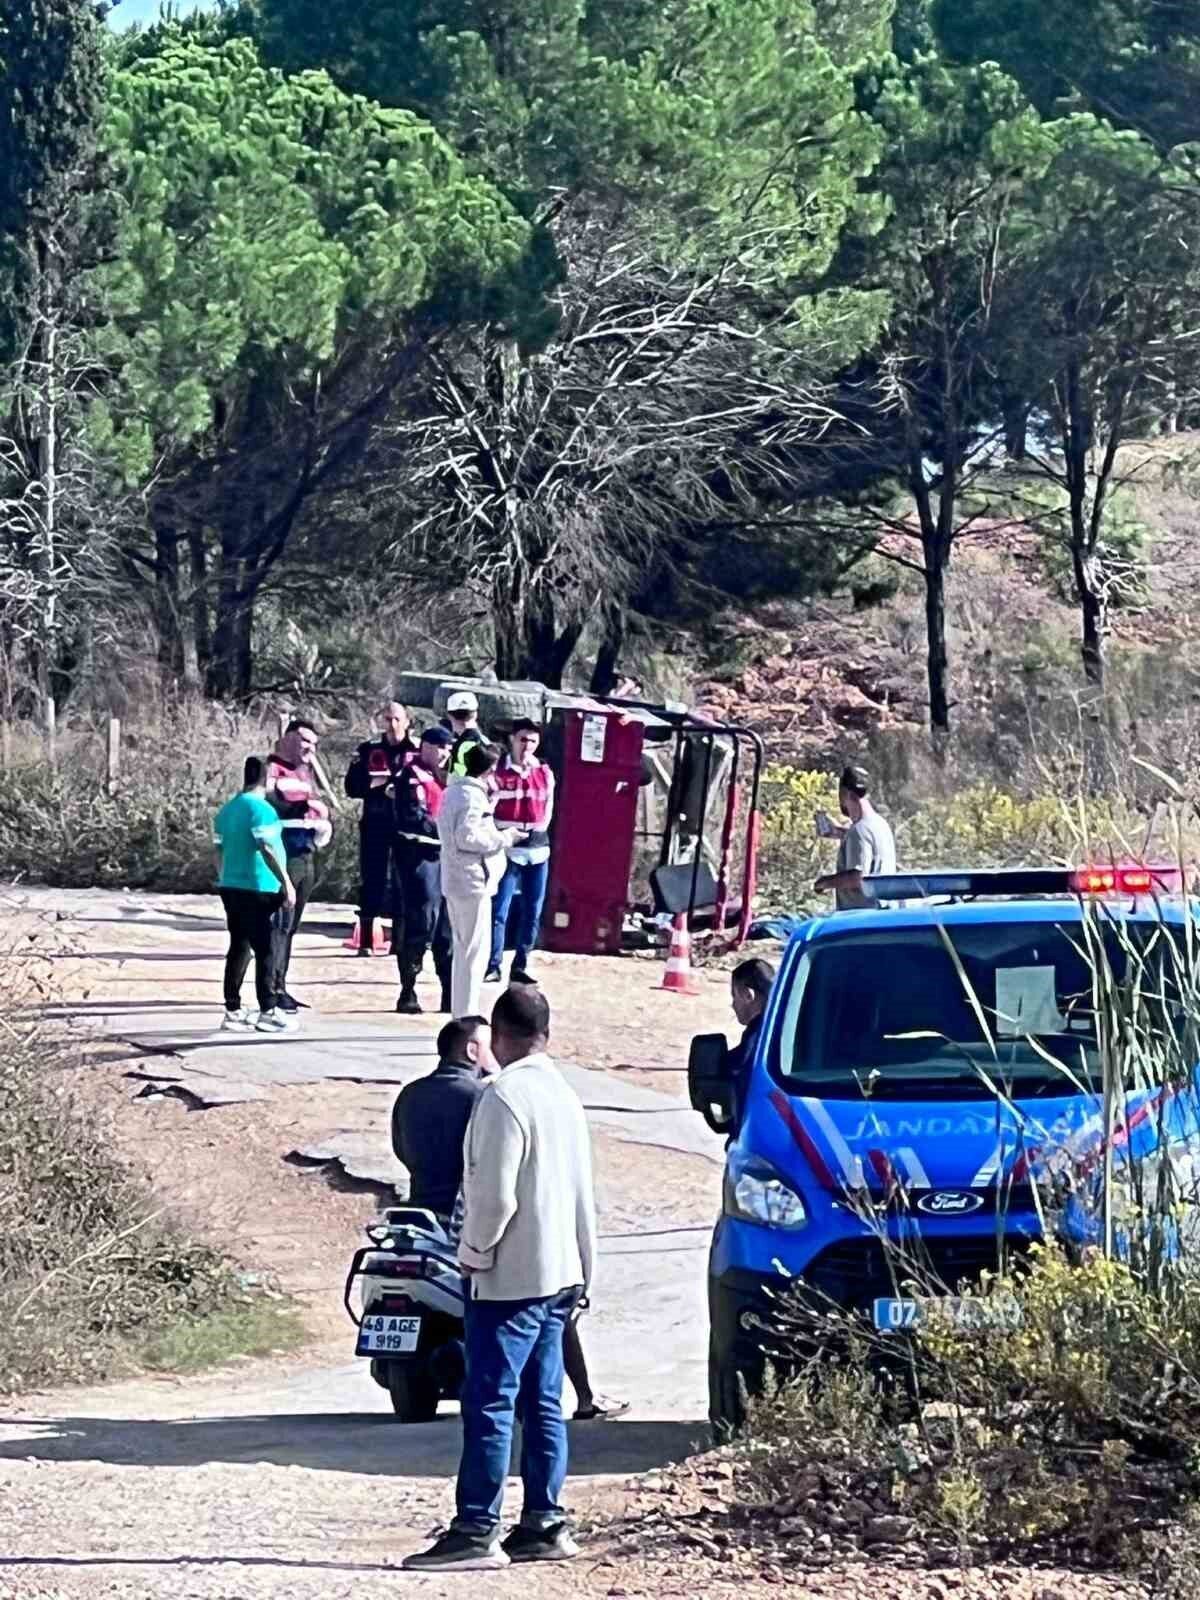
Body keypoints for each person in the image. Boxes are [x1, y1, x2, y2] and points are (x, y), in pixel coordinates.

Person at [404, 986, 596, 1572]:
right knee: (543, 1403)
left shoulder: (503, 1096)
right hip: (560, 1273)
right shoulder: (564, 1094)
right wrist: (585, 1270)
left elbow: (493, 1196)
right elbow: (582, 1194)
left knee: (489, 1400)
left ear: (500, 1033)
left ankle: (476, 1529)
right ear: (545, 1032)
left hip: (511, 1277)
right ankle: (544, 1522)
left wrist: (472, 1253)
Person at [212, 756, 297, 1035]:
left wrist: (224, 877)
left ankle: (232, 1009)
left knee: (239, 946)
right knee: (266, 949)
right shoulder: (262, 810)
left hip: (231, 886)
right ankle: (268, 1010)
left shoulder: (227, 810)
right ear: (267, 779)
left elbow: (218, 850)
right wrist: (285, 881)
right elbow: (266, 847)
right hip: (260, 886)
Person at [439, 743, 523, 1020]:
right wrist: (504, 838)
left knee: (464, 948)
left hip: (458, 879)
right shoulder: (471, 796)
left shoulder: (452, 792)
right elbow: (468, 837)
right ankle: (466, 1013)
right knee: (474, 951)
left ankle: (461, 1011)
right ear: (490, 769)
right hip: (472, 880)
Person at [391, 1016, 493, 1221]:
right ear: (472, 1051)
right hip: (463, 1220)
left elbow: (400, 1149)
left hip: (419, 1213)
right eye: (491, 1045)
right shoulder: (484, 1097)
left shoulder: (410, 1094)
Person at [265, 717, 332, 1014]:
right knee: (279, 925)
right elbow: (274, 803)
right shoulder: (272, 769)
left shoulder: (306, 772)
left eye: (314, 744)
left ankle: (281, 984)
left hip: (306, 853)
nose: (310, 748)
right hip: (285, 855)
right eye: (305, 741)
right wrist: (305, 806)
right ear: (288, 738)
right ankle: (270, 989)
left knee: (291, 927)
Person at [344, 703, 417, 956]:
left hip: (406, 826)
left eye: (397, 719)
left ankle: (400, 941)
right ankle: (366, 941)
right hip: (375, 824)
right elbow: (351, 787)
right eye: (387, 719)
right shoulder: (368, 750)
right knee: (372, 880)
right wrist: (375, 785)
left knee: (403, 882)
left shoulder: (417, 750)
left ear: (407, 721)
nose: (392, 724)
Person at [392, 726, 455, 1014]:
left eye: (448, 748)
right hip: (418, 856)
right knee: (421, 920)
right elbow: (414, 817)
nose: (444, 753)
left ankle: (449, 992)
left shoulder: (446, 777)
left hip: (444, 856)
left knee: (446, 927)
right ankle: (408, 990)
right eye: (440, 747)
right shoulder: (410, 776)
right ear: (426, 746)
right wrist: (446, 829)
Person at [487, 719, 554, 985]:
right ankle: (493, 964)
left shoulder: (545, 773)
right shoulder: (498, 772)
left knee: (532, 911)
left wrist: (539, 830)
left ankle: (521, 964)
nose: (527, 746)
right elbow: (489, 809)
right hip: (508, 849)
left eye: (532, 741)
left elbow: (548, 807)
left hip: (538, 849)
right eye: (522, 740)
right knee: (499, 910)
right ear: (512, 740)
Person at [814, 765, 897, 910]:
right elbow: (869, 842)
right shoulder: (880, 824)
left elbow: (858, 877)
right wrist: (838, 832)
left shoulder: (859, 830)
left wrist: (824, 882)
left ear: (845, 794)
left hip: (862, 918)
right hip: (883, 913)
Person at [728, 957, 776, 1130]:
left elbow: (740, 1070)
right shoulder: (781, 1025)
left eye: (734, 996)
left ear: (748, 995)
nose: (733, 1005)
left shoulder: (757, 1034)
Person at [446, 690, 487, 778]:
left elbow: (457, 779)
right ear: (476, 714)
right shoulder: (486, 741)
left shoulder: (462, 746)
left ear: (449, 716)